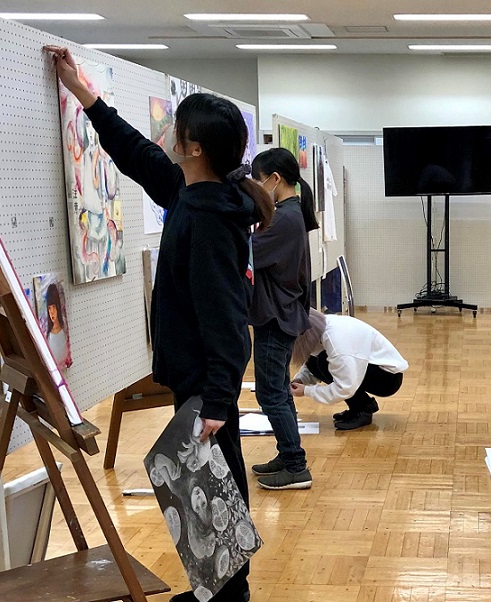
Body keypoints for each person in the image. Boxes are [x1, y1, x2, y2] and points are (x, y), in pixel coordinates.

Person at [46, 45, 273, 602]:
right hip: (196, 378)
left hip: (205, 383)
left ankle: (229, 595)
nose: (167, 132)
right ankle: (220, 592)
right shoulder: (191, 192)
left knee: (216, 488)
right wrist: (84, 93)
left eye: (178, 127)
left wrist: (218, 398)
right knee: (209, 488)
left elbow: (226, 317)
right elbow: (136, 153)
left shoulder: (210, 219)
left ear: (194, 148)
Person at [248, 148, 320, 491]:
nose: (256, 187)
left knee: (270, 393)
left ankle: (295, 465)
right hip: (280, 314)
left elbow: (246, 252)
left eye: (258, 181)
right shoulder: (289, 213)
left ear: (275, 179)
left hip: (277, 316)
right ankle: (288, 453)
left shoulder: (285, 219)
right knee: (278, 389)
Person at [290, 310, 408, 430]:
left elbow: (345, 387)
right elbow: (312, 362)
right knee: (317, 359)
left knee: (323, 361)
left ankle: (362, 410)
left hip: (388, 378)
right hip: (375, 367)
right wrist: (301, 379)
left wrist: (307, 391)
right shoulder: (320, 326)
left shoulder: (337, 342)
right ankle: (364, 405)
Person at [44, 284, 71, 368]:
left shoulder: (64, 329)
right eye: (49, 308)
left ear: (58, 307)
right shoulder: (48, 335)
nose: (51, 312)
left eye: (54, 307)